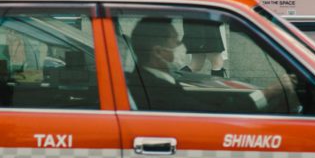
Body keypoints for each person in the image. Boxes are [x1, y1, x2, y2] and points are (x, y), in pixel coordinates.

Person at [128, 17, 299, 114]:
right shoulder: (157, 90)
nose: (181, 45)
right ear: (158, 52)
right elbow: (215, 115)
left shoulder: (154, 80)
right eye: (175, 40)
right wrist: (268, 93)